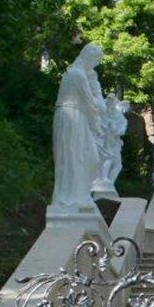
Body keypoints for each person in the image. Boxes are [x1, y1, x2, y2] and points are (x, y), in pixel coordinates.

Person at [51, 43, 106, 210]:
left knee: (82, 158)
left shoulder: (73, 73)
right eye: (95, 61)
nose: (95, 66)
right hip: (73, 118)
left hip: (73, 118)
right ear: (88, 57)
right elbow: (92, 104)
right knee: (75, 158)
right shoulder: (78, 75)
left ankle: (77, 196)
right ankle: (72, 198)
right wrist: (96, 88)